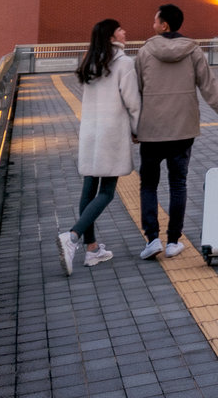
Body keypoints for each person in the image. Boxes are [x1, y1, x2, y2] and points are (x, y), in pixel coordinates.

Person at [134, 4, 218, 259]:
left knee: (148, 185)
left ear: (164, 25)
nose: (152, 25)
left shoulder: (144, 52)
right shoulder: (194, 52)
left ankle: (152, 240)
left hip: (151, 131)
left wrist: (133, 127)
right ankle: (173, 241)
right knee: (178, 184)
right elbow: (210, 89)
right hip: (182, 131)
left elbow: (135, 93)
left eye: (155, 21)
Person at [58, 18, 139, 276]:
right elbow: (132, 101)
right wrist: (138, 129)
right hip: (112, 134)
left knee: (89, 188)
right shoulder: (124, 63)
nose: (125, 31)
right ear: (111, 35)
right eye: (120, 29)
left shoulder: (90, 62)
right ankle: (72, 237)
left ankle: (92, 249)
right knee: (107, 192)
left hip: (91, 133)